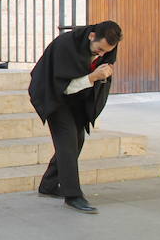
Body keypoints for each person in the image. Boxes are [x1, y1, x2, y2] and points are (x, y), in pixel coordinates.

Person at [29, 21, 122, 213]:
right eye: (99, 49)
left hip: (78, 97)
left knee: (77, 140)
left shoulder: (106, 49)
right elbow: (64, 87)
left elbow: (97, 71)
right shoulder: (65, 46)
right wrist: (93, 77)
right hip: (53, 94)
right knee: (67, 142)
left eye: (106, 51)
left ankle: (48, 185)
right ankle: (73, 196)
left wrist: (102, 74)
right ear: (91, 36)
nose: (102, 54)